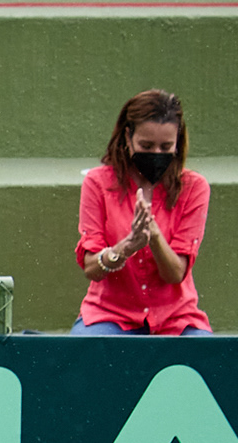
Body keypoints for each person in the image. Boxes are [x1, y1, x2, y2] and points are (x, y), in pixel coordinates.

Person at [73, 89, 211, 336]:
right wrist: (125, 247)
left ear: (177, 143)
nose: (156, 154)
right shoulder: (98, 183)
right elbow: (91, 268)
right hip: (110, 315)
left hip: (177, 319)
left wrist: (154, 236)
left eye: (166, 146)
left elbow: (176, 274)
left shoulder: (194, 188)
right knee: (85, 356)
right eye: (146, 145)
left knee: (206, 363)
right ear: (128, 137)